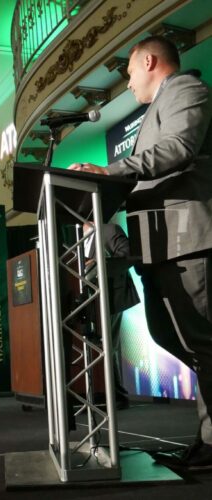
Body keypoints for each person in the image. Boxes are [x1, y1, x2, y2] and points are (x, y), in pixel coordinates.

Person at [69, 35, 212, 469]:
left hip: (189, 241)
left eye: (129, 72)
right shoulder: (156, 107)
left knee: (204, 340)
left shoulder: (186, 88)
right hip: (159, 246)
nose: (128, 83)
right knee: (173, 335)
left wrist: (110, 172)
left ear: (149, 61)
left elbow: (180, 148)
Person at [83, 223, 140, 410]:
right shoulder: (75, 236)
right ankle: (108, 393)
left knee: (107, 345)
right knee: (103, 345)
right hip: (90, 301)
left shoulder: (109, 229)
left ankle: (117, 396)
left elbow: (128, 255)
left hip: (111, 297)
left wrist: (98, 263)